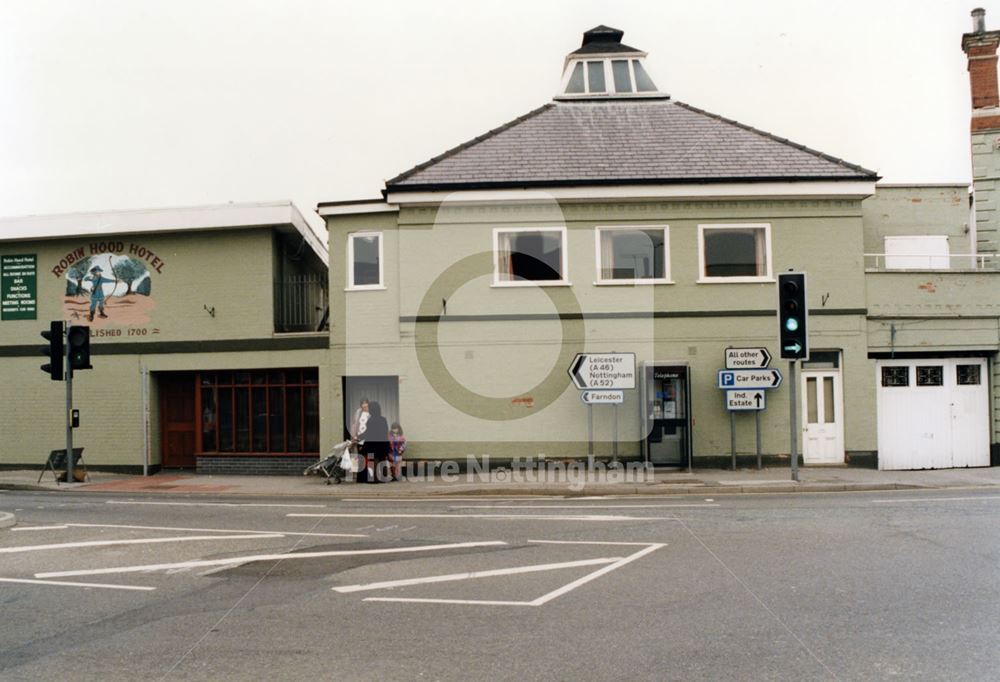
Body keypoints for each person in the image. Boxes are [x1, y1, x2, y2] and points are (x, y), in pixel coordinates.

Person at [360, 401, 389, 483]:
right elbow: (385, 432)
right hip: (382, 443)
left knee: (373, 460)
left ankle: (374, 478)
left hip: (373, 444)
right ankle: (384, 477)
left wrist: (359, 437)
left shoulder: (370, 420)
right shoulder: (383, 419)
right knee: (382, 459)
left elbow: (368, 433)